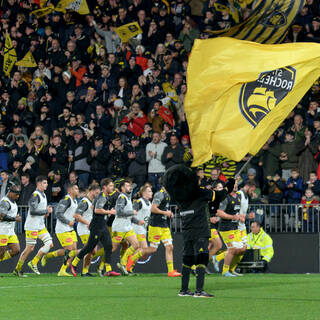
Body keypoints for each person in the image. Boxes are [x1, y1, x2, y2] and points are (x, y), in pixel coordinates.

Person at [161, 164, 235, 297]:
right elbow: (219, 195)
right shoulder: (198, 191)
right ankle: (199, 290)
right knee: (202, 257)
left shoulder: (178, 194)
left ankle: (184, 290)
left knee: (187, 258)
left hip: (187, 228)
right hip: (200, 227)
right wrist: (228, 186)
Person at [127, 182, 181, 277]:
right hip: (155, 225)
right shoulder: (159, 194)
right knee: (153, 249)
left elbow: (164, 209)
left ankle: (171, 271)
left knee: (170, 247)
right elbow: (153, 209)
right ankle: (132, 259)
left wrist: (169, 213)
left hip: (164, 225)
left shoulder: (167, 195)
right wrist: (165, 213)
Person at [69, 178, 119, 277]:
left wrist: (107, 213)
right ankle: (74, 263)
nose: (112, 188)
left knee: (108, 246)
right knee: (89, 247)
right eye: (110, 186)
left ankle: (108, 270)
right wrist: (109, 212)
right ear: (104, 187)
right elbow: (97, 210)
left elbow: (94, 208)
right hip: (96, 226)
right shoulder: (102, 197)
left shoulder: (105, 197)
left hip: (102, 224)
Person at [14, 176, 53, 275]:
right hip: (32, 226)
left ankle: (33, 262)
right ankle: (17, 269)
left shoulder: (43, 195)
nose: (47, 184)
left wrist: (46, 213)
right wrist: (46, 211)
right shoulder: (35, 195)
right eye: (44, 183)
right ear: (39, 184)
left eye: (46, 183)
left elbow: (40, 211)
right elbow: (33, 211)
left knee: (50, 244)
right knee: (29, 249)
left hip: (40, 225)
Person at [41, 184, 79, 277]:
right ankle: (47, 256)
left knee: (73, 251)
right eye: (76, 188)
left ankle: (62, 270)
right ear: (70, 190)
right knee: (69, 250)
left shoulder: (75, 201)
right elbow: (58, 213)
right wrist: (68, 221)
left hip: (70, 228)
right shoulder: (66, 200)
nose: (78, 190)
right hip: (62, 228)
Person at [111, 179, 145, 275]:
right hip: (119, 227)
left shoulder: (128, 198)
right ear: (122, 188)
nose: (130, 187)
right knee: (113, 248)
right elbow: (119, 211)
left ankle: (122, 263)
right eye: (127, 185)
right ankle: (102, 266)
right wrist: (132, 212)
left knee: (136, 245)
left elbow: (129, 216)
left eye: (130, 185)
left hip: (127, 227)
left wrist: (138, 221)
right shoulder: (121, 197)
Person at [216, 182, 244, 277]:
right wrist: (232, 217)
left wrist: (242, 217)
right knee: (232, 249)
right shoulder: (225, 198)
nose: (235, 185)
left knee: (242, 249)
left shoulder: (239, 197)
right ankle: (225, 271)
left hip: (235, 227)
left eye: (236, 184)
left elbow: (236, 212)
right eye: (233, 184)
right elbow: (219, 212)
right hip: (226, 228)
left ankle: (231, 269)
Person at [73, 183, 101, 276]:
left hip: (91, 229)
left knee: (94, 251)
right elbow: (76, 215)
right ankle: (84, 271)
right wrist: (88, 223)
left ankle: (85, 270)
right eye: (96, 193)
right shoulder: (84, 202)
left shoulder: (94, 202)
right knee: (89, 249)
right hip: (84, 229)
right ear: (91, 191)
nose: (97, 195)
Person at [0, 185, 22, 274]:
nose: (18, 196)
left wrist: (15, 217)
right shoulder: (5, 202)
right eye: (16, 194)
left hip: (10, 231)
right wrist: (15, 219)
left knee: (16, 250)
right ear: (11, 193)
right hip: (2, 230)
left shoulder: (13, 201)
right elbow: (1, 216)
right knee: (1, 251)